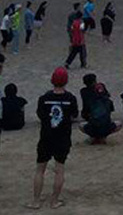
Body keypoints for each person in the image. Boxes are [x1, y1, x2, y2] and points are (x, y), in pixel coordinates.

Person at [28, 67, 78, 209]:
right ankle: (54, 201)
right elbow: (74, 115)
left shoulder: (44, 98)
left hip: (46, 136)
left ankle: (36, 201)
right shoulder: (70, 98)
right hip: (62, 137)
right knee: (59, 169)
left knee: (40, 169)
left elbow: (41, 115)